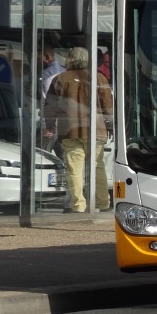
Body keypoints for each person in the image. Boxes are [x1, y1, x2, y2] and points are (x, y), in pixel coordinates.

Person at [45, 46, 113, 213]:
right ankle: (103, 202)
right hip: (95, 130)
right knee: (97, 167)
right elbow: (108, 105)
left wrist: (50, 125)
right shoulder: (99, 78)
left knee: (74, 169)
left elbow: (50, 107)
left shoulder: (60, 79)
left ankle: (78, 205)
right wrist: (110, 126)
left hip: (70, 131)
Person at [38, 44, 65, 152]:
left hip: (51, 123)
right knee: (64, 156)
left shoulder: (46, 74)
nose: (38, 61)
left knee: (43, 155)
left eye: (39, 58)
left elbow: (46, 101)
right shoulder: (65, 71)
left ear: (47, 57)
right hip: (64, 122)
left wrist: (45, 126)